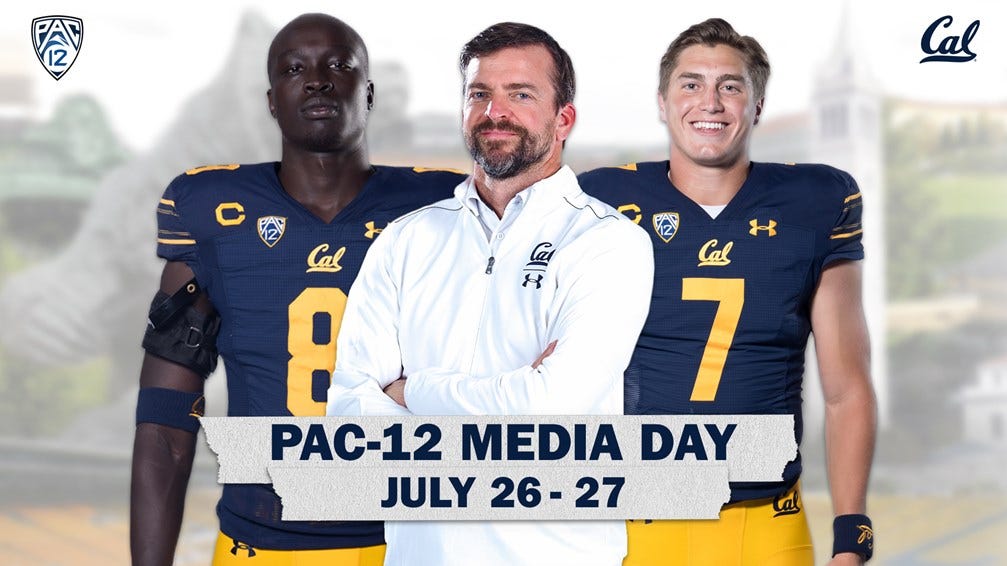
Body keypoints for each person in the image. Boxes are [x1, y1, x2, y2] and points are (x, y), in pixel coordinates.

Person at [129, 13, 464, 566]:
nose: (317, 80)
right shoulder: (213, 210)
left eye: (338, 65)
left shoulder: (444, 207)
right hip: (262, 542)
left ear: (368, 92)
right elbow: (166, 420)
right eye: (294, 69)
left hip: (410, 540)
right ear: (271, 100)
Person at [326, 22, 654, 566]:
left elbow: (550, 412)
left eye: (520, 95)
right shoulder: (405, 240)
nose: (494, 112)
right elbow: (348, 422)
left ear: (563, 119)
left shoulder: (608, 242)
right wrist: (513, 404)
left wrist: (411, 393)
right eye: (479, 94)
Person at [579, 18, 877, 566]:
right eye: (691, 84)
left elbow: (845, 388)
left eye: (730, 86)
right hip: (635, 516)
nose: (710, 102)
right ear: (663, 102)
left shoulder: (815, 200)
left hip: (766, 520)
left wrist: (852, 535)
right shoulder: (599, 202)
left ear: (757, 105)